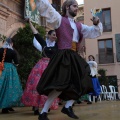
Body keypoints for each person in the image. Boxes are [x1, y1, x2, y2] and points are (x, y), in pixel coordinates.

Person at [36, 0, 103, 120]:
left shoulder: (79, 25)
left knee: (83, 81)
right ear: (67, 7)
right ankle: (43, 112)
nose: (77, 8)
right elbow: (47, 8)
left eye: (78, 6)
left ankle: (67, 107)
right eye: (74, 6)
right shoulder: (59, 19)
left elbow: (94, 31)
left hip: (74, 56)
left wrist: (97, 23)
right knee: (59, 85)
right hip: (63, 56)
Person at [21, 19, 59, 115]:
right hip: (41, 66)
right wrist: (29, 23)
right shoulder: (44, 43)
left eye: (55, 35)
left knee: (49, 86)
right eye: (53, 34)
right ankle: (36, 106)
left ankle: (47, 105)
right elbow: (36, 33)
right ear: (48, 35)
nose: (55, 36)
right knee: (37, 85)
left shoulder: (57, 46)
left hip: (51, 67)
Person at [0, 38, 23, 113]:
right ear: (11, 43)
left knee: (2, 87)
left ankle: (7, 106)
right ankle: (6, 107)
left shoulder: (0, 50)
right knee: (10, 88)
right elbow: (16, 62)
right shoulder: (12, 52)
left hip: (1, 69)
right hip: (10, 70)